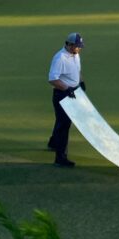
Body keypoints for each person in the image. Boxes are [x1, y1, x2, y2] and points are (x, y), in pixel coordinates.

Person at [47, 32, 86, 167]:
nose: (79, 49)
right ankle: (60, 158)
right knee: (64, 124)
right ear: (69, 45)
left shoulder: (76, 55)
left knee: (61, 121)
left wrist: (80, 82)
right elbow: (52, 79)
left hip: (72, 92)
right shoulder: (60, 58)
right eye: (77, 46)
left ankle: (53, 142)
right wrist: (66, 89)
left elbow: (78, 69)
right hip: (62, 94)